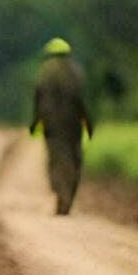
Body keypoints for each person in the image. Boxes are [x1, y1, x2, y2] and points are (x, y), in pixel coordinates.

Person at [28, 37, 93, 215]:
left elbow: (38, 99)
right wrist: (89, 123)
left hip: (52, 124)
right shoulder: (75, 71)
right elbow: (83, 101)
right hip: (73, 123)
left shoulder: (45, 71)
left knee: (56, 158)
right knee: (74, 157)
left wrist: (35, 123)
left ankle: (60, 194)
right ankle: (68, 196)